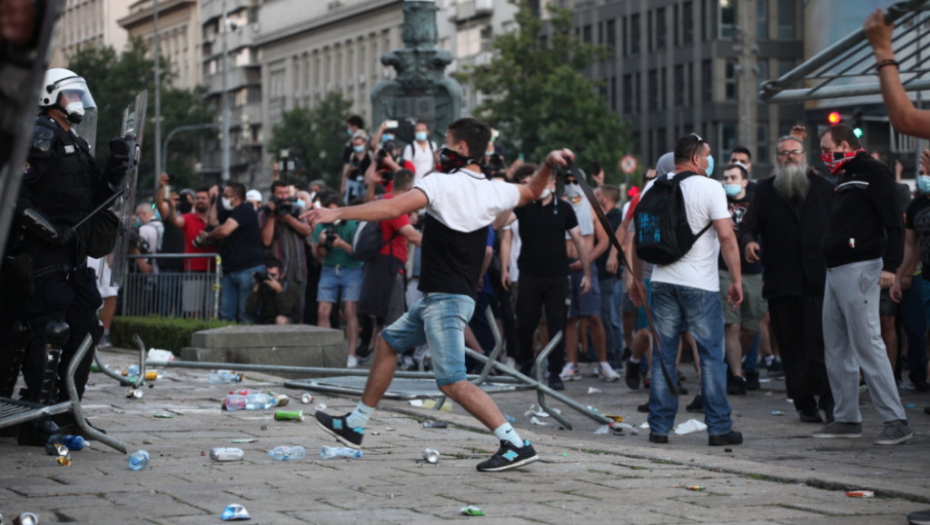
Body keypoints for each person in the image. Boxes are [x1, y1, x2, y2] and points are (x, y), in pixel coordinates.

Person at [304, 117, 570, 472]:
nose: (440, 149)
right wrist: (548, 164)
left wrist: (337, 211)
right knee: (387, 343)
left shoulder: (441, 184)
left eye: (445, 142)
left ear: (460, 148)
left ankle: (515, 443)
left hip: (446, 299)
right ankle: (356, 424)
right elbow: (533, 191)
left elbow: (393, 207)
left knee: (452, 382)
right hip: (438, 298)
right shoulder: (495, 189)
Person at [0, 68, 127, 445]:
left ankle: (67, 409)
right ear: (48, 98)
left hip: (73, 254)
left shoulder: (76, 141)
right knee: (49, 330)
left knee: (88, 327)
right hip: (41, 254)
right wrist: (50, 232)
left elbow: (95, 195)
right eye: (70, 95)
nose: (77, 102)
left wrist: (117, 164)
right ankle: (35, 416)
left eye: (78, 95)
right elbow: (15, 195)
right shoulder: (39, 135)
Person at [630, 134, 743, 447]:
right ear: (696, 159)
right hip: (701, 286)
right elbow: (726, 238)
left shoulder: (654, 186)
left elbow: (639, 238)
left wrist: (637, 280)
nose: (709, 160)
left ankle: (660, 427)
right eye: (707, 155)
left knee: (664, 356)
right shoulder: (710, 188)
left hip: (663, 281)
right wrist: (736, 279)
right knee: (709, 357)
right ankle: (719, 428)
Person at [813, 124, 911, 445]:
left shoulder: (873, 172)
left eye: (827, 148)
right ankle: (846, 417)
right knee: (837, 346)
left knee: (867, 344)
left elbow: (895, 222)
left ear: (843, 144)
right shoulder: (848, 177)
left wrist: (891, 266)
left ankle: (896, 419)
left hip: (860, 267)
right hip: (839, 268)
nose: (824, 155)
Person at [740, 135, 835, 424]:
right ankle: (804, 403)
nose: (789, 157)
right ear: (776, 158)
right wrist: (749, 243)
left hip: (818, 280)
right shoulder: (766, 191)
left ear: (804, 155)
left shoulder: (825, 188)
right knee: (791, 346)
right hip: (782, 281)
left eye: (794, 152)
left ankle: (831, 401)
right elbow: (748, 227)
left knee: (822, 343)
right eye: (783, 154)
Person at [499, 165, 588, 391]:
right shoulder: (524, 206)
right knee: (525, 324)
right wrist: (511, 199)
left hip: (557, 276)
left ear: (553, 184)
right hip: (529, 274)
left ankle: (555, 371)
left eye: (546, 181)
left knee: (557, 324)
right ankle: (527, 362)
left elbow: (578, 240)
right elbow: (498, 224)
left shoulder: (565, 208)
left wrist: (587, 273)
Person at [560, 169, 619, 382]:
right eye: (568, 181)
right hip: (565, 266)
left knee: (594, 316)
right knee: (569, 317)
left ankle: (603, 363)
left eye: (576, 180)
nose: (572, 184)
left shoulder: (592, 207)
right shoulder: (561, 205)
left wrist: (587, 260)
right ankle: (572, 364)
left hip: (587, 266)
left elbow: (604, 240)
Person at [358, 169, 422, 345]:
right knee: (392, 321)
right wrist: (443, 248)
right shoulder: (396, 207)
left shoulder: (382, 201)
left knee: (380, 318)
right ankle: (385, 363)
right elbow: (412, 236)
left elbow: (366, 204)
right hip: (390, 267)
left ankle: (375, 356)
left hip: (376, 264)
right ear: (410, 189)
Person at [718, 163, 763, 395]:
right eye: (726, 178)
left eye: (733, 177)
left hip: (753, 270)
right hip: (724, 269)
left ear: (745, 181)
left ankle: (734, 364)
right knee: (732, 325)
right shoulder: (718, 202)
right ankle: (736, 375)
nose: (729, 182)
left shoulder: (756, 203)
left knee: (751, 326)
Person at [200, 183, 266, 323]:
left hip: (248, 269)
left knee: (245, 314)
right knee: (226, 315)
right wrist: (213, 199)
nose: (223, 199)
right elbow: (213, 221)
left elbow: (224, 230)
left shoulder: (244, 210)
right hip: (231, 270)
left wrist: (208, 236)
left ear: (236, 198)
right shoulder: (231, 212)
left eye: (226, 196)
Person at [311, 190, 363, 367]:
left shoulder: (351, 226)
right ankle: (323, 351)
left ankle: (351, 354)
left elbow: (359, 254)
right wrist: (320, 243)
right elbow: (319, 257)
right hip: (329, 269)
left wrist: (341, 243)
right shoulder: (321, 226)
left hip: (352, 269)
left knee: (350, 311)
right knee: (323, 311)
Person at [158, 184, 217, 317]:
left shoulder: (216, 220)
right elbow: (174, 221)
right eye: (198, 198)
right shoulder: (189, 218)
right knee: (192, 312)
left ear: (210, 200)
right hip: (193, 270)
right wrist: (172, 207)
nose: (200, 200)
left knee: (210, 313)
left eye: (204, 198)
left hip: (213, 270)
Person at [259, 180, 312, 320]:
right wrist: (272, 215)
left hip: (299, 270)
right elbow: (266, 240)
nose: (283, 197)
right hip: (279, 272)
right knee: (278, 313)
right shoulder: (265, 212)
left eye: (286, 193)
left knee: (298, 312)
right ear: (273, 195)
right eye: (279, 193)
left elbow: (307, 231)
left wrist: (289, 219)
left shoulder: (297, 210)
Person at [245, 259, 301, 325]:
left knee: (280, 319)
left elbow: (285, 310)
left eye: (274, 275)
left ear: (282, 275)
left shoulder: (291, 287)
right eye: (269, 275)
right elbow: (249, 309)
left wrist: (279, 290)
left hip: (288, 320)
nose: (271, 279)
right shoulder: (264, 286)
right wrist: (256, 287)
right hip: (267, 320)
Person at [342, 131, 373, 205]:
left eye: (358, 144)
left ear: (364, 142)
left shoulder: (370, 155)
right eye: (355, 145)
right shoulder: (351, 156)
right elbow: (346, 174)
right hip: (353, 185)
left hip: (366, 185)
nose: (357, 146)